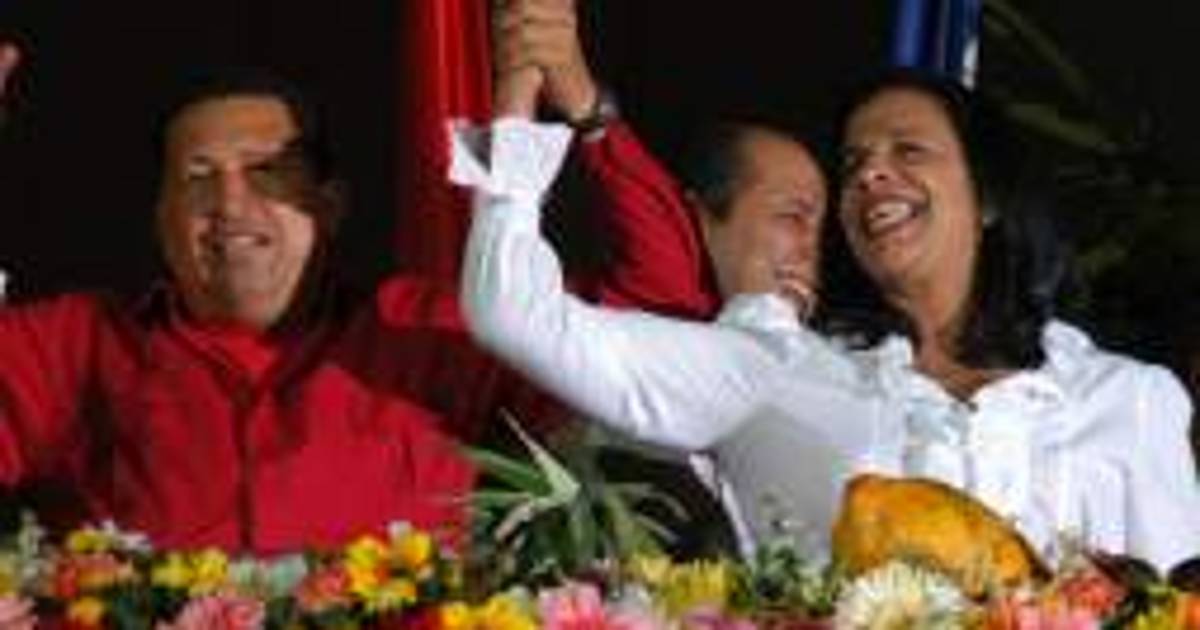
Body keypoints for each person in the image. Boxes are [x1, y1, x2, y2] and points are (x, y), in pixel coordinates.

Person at [457, 68, 1200, 571]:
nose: (871, 173)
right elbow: (514, 314)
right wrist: (520, 90)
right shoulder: (774, 365)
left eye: (909, 150)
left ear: (990, 197)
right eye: (853, 164)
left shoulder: (1129, 400)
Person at [0, 41, 710, 555]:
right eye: (197, 177)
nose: (230, 204)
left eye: (266, 172)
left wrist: (586, 108)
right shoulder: (78, 348)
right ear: (161, 221)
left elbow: (658, 313)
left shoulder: (430, 335)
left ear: (330, 204)